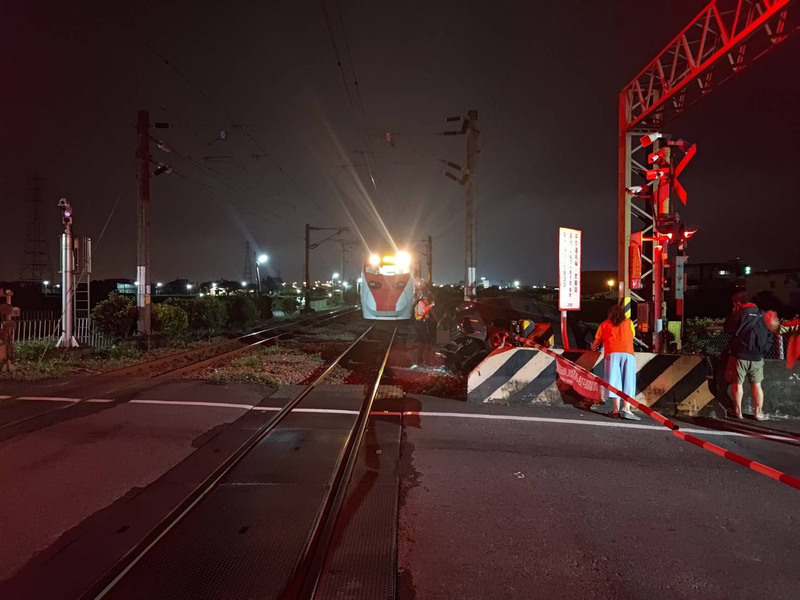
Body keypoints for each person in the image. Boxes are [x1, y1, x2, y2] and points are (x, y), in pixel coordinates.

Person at [724, 291, 773, 420]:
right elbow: (770, 334)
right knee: (757, 384)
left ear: (738, 303)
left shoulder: (739, 314)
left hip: (739, 355)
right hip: (757, 356)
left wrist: (734, 313)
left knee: (737, 383)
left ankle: (738, 412)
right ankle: (758, 413)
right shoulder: (763, 314)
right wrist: (763, 350)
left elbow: (728, 329)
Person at [590, 303, 640, 420]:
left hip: (611, 354)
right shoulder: (629, 323)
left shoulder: (604, 325)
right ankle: (626, 409)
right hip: (628, 354)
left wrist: (593, 347)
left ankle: (616, 410)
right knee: (628, 381)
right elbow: (632, 336)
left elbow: (596, 342)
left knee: (614, 382)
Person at [413, 292, 435, 365]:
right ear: (423, 299)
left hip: (420, 324)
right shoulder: (421, 303)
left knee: (421, 341)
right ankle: (426, 360)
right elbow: (423, 311)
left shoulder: (420, 304)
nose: (427, 301)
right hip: (420, 324)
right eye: (426, 299)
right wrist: (431, 305)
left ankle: (420, 359)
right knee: (426, 341)